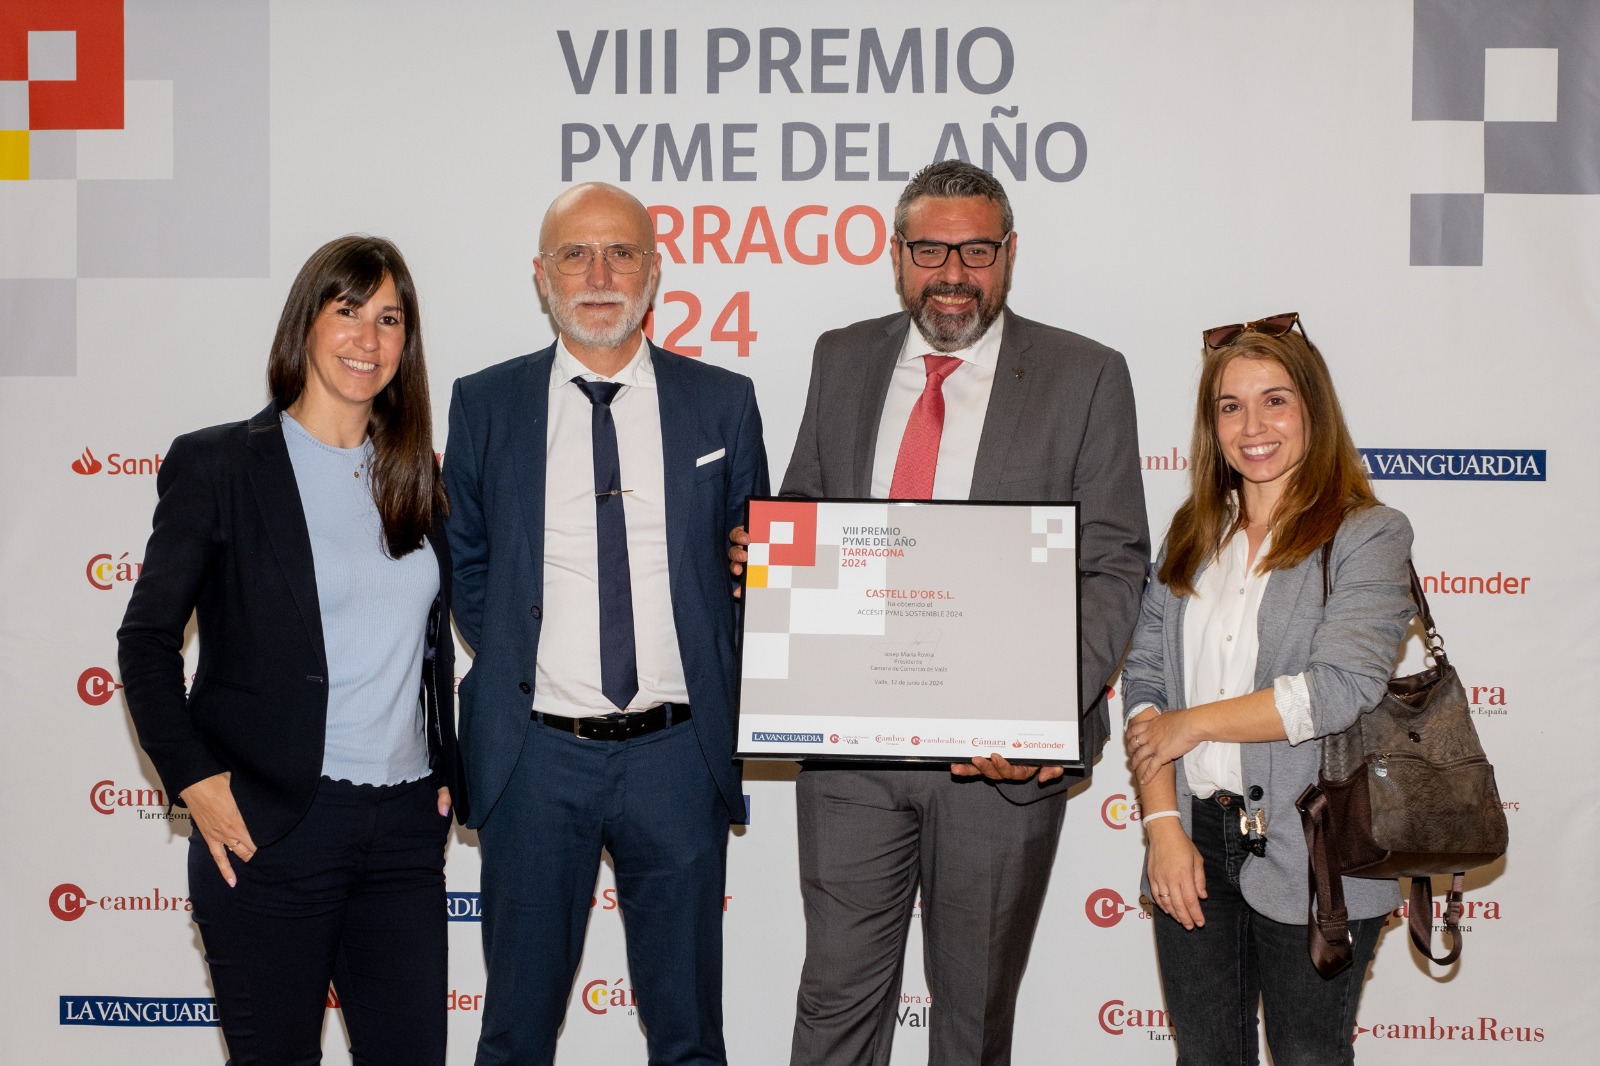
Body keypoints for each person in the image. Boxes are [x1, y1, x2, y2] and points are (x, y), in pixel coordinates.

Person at [732, 159, 1150, 1065]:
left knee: (972, 1019)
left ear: (1009, 255)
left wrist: (1039, 712)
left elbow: (1114, 565)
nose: (952, 274)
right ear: (897, 255)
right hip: (851, 750)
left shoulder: (1085, 375)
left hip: (1000, 762)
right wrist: (771, 556)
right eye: (929, 250)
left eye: (976, 251)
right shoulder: (842, 356)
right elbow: (809, 503)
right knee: (834, 1004)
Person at [443, 182, 768, 1066]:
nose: (598, 275)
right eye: (575, 255)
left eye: (621, 253)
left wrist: (753, 573)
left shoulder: (723, 402)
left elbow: (756, 569)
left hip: (680, 754)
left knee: (689, 1035)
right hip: (534, 757)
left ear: (653, 273)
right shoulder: (485, 403)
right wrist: (525, 658)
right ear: (541, 276)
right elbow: (468, 565)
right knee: (514, 1032)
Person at [117, 235, 460, 1064]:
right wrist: (194, 781)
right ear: (306, 322)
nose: (368, 339)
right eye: (348, 312)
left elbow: (425, 642)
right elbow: (146, 641)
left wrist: (447, 764)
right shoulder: (219, 465)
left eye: (389, 319)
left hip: (404, 832)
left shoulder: (416, 473)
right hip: (272, 827)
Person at [1122, 312, 1415, 1064]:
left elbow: (1339, 687)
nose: (1252, 426)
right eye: (1231, 406)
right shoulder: (1192, 531)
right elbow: (1146, 676)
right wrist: (1162, 825)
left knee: (1309, 1055)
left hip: (1319, 845)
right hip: (1193, 835)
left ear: (1313, 410)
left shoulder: (1368, 534)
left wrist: (1192, 724)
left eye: (1275, 400)